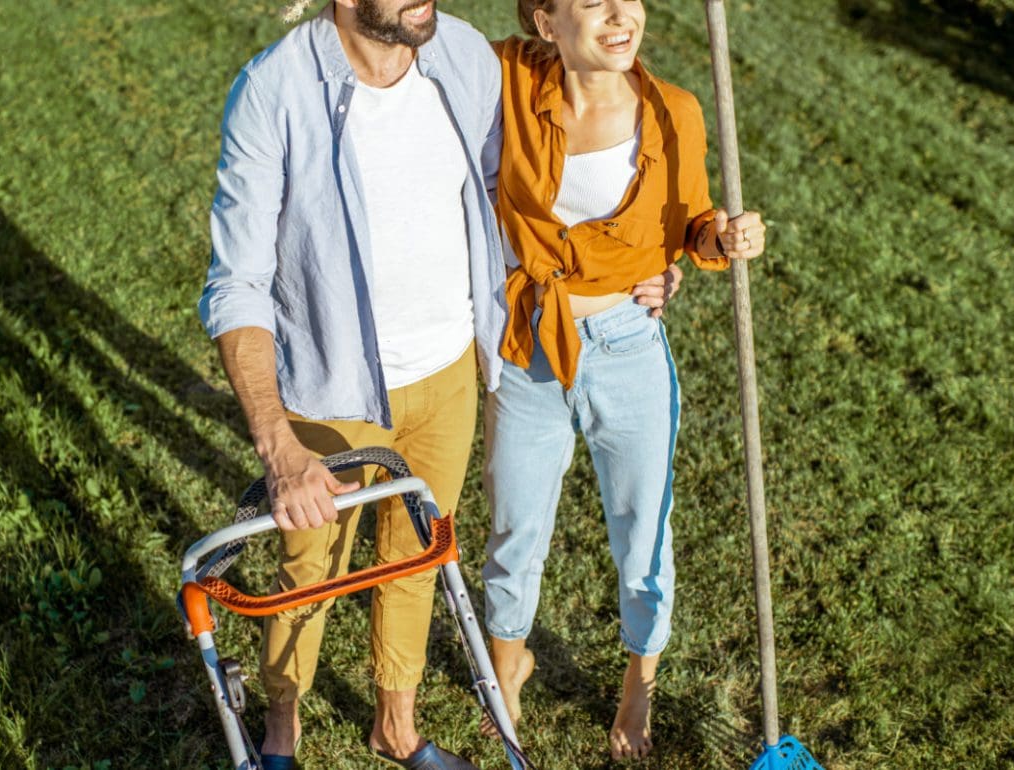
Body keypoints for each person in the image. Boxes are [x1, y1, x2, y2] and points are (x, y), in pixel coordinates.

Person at [200, 1, 680, 767]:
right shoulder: (274, 90)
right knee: (309, 567)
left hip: (451, 367)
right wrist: (279, 445)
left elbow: (520, 190)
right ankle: (281, 727)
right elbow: (237, 283)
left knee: (419, 555)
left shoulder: (457, 51)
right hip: (334, 385)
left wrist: (639, 265)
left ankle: (396, 723)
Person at [481, 0, 768, 761]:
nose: (620, 16)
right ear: (545, 23)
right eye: (591, 2)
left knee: (643, 533)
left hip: (627, 344)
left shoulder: (673, 112)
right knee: (514, 526)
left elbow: (692, 220)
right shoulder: (504, 77)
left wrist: (721, 236)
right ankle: (508, 667)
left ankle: (637, 685)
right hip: (527, 346)